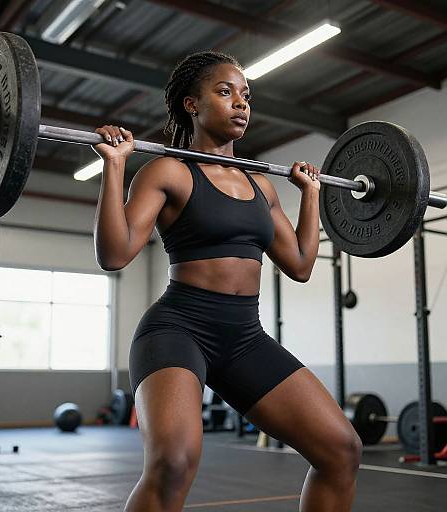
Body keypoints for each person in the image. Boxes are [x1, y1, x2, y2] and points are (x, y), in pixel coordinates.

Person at [93, 51, 362, 512]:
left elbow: (299, 264)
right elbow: (115, 255)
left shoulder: (262, 184)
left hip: (244, 336)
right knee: (173, 462)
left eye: (245, 95)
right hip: (178, 330)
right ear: (191, 104)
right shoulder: (168, 171)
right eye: (225, 92)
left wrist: (312, 196)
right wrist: (114, 167)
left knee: (341, 450)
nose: (241, 104)